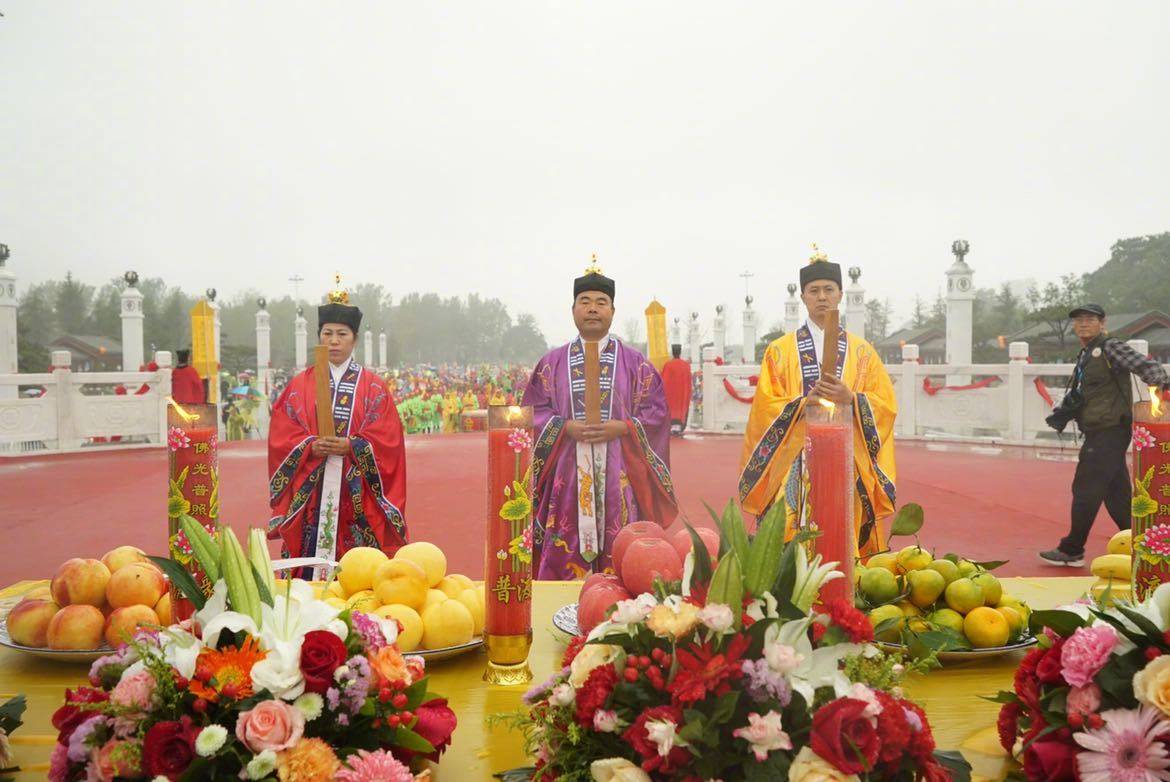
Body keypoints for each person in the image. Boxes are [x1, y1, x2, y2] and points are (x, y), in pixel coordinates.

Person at [522, 259, 678, 579]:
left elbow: (657, 412)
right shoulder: (551, 363)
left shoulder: (636, 364)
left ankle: (621, 604)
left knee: (622, 552)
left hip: (620, 475)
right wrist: (564, 427)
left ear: (612, 311)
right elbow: (533, 411)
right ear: (573, 310)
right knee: (562, 542)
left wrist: (622, 427)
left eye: (601, 302)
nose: (593, 308)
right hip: (566, 476)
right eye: (585, 302)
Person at [739, 247, 897, 558]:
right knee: (788, 527)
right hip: (793, 461)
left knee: (842, 530)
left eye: (828, 289)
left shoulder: (863, 352)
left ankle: (846, 593)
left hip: (847, 459)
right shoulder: (780, 351)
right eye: (814, 291)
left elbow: (885, 405)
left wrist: (851, 399)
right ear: (803, 298)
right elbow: (765, 406)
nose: (821, 297)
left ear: (840, 294)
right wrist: (801, 404)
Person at [267, 285, 408, 578]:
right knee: (307, 568)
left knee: (358, 573)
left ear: (354, 339)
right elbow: (282, 433)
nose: (333, 341)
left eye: (341, 334)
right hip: (312, 492)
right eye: (327, 333)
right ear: (319, 337)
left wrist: (353, 446)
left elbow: (389, 440)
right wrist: (308, 445)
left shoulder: (373, 387)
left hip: (356, 493)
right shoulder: (299, 385)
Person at [1039, 304, 1170, 567]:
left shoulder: (1110, 347)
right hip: (1101, 429)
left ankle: (1072, 549)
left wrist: (1161, 391)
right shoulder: (1088, 352)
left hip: (1109, 430)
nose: (1083, 324)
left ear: (1102, 322)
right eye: (1079, 320)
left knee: (1086, 488)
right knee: (1117, 493)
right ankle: (1143, 547)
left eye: (1090, 319)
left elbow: (1148, 367)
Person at [660, 343, 693, 436]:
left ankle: (671, 428)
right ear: (680, 352)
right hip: (682, 393)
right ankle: (679, 429)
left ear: (673, 352)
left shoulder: (668, 365)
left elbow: (663, 381)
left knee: (671, 409)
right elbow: (689, 381)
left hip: (671, 394)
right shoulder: (686, 365)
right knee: (681, 409)